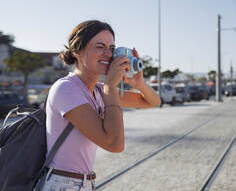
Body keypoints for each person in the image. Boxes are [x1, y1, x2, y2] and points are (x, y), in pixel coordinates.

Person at [40, 20, 161, 190]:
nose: (108, 54)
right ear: (77, 51)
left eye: (112, 48)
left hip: (85, 182)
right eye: (100, 46)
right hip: (62, 183)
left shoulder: (98, 91)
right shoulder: (66, 89)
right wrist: (110, 86)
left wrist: (139, 83)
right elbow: (114, 144)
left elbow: (152, 102)